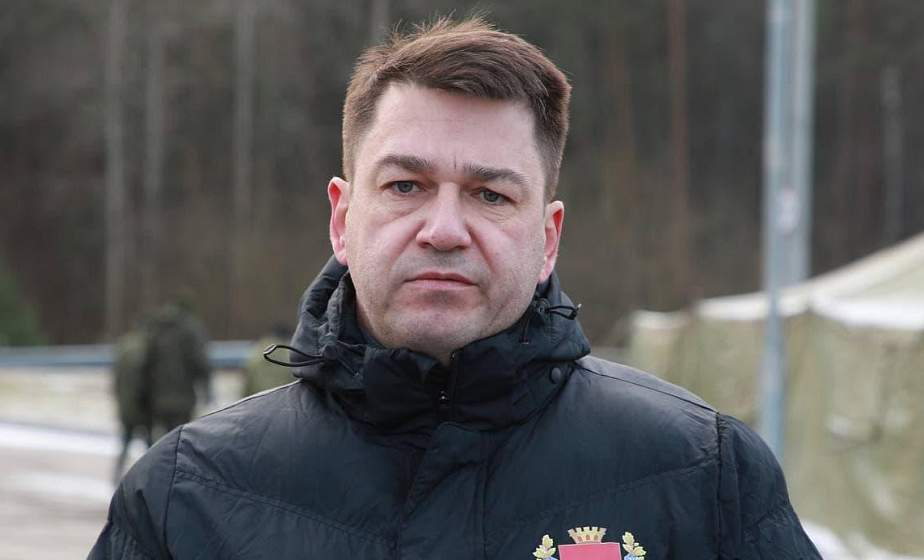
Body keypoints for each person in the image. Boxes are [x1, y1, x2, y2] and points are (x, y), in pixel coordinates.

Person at [90, 17, 820, 559]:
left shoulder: (703, 477)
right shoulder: (185, 498)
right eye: (405, 186)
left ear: (548, 238)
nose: (444, 230)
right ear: (342, 218)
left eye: (490, 195)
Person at [241, 323, 293, 396]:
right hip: (283, 398)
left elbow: (248, 382)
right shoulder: (290, 355)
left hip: (259, 398)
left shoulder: (257, 352)